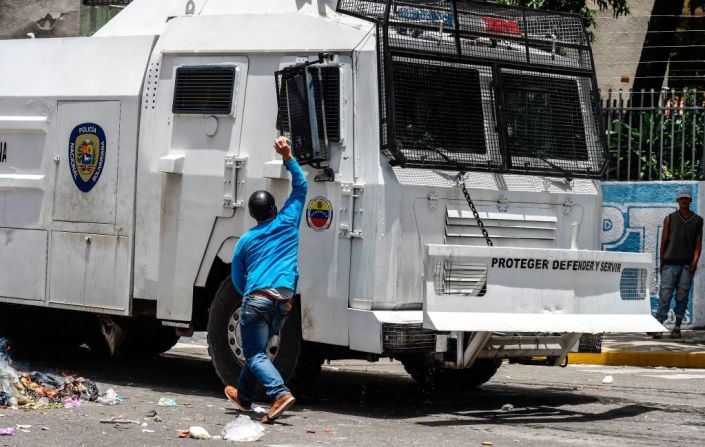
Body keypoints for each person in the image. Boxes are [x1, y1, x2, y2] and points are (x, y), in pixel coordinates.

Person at [224, 137, 307, 423]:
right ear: (274, 207)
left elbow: (237, 278)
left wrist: (250, 297)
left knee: (255, 355)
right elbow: (302, 186)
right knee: (255, 351)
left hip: (257, 300)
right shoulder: (288, 221)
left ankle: (280, 393)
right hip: (284, 301)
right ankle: (244, 398)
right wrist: (287, 155)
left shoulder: (245, 241)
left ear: (252, 214)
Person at [655, 187, 703, 339]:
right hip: (670, 262)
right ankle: (659, 326)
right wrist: (661, 261)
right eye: (681, 198)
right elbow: (663, 241)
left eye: (686, 198)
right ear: (677, 200)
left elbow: (698, 243)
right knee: (665, 295)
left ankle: (677, 327)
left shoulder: (698, 220)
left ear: (690, 200)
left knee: (682, 296)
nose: (684, 201)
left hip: (687, 264)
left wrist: (695, 262)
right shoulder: (669, 218)